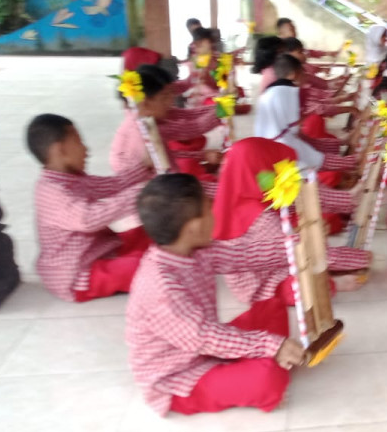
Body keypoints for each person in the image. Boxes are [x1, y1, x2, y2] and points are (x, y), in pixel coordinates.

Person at [125, 174, 305, 416]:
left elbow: (246, 254)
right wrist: (270, 345)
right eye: (209, 209)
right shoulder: (160, 287)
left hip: (205, 349)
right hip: (179, 376)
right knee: (266, 379)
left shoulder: (198, 249)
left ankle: (258, 360)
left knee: (271, 307)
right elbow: (204, 337)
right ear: (194, 228)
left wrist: (298, 244)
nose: (215, 214)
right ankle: (261, 366)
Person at [212, 137, 367, 303]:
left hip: (272, 258)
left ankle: (328, 264)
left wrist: (345, 200)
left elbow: (302, 197)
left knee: (310, 212)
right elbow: (301, 251)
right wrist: (360, 258)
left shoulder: (233, 195)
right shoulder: (262, 220)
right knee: (306, 285)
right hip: (262, 282)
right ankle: (334, 283)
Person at [29, 114, 153, 302]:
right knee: (146, 268)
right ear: (60, 150)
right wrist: (140, 192)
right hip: (77, 274)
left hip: (102, 252)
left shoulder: (74, 179)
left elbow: (113, 185)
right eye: (79, 142)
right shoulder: (51, 191)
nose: (86, 150)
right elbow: (88, 219)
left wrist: (143, 167)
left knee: (151, 232)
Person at [110, 65, 222, 179]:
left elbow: (189, 115)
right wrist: (224, 109)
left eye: (171, 93)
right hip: (150, 186)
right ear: (145, 102)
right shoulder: (145, 130)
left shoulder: (144, 113)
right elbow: (193, 127)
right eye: (165, 97)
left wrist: (222, 107)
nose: (171, 101)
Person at [253, 82, 356, 189]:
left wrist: (344, 145)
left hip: (303, 170)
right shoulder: (281, 142)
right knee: (332, 175)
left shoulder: (279, 130)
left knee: (315, 124)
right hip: (293, 185)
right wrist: (353, 162)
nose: (300, 113)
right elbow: (307, 183)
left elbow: (314, 148)